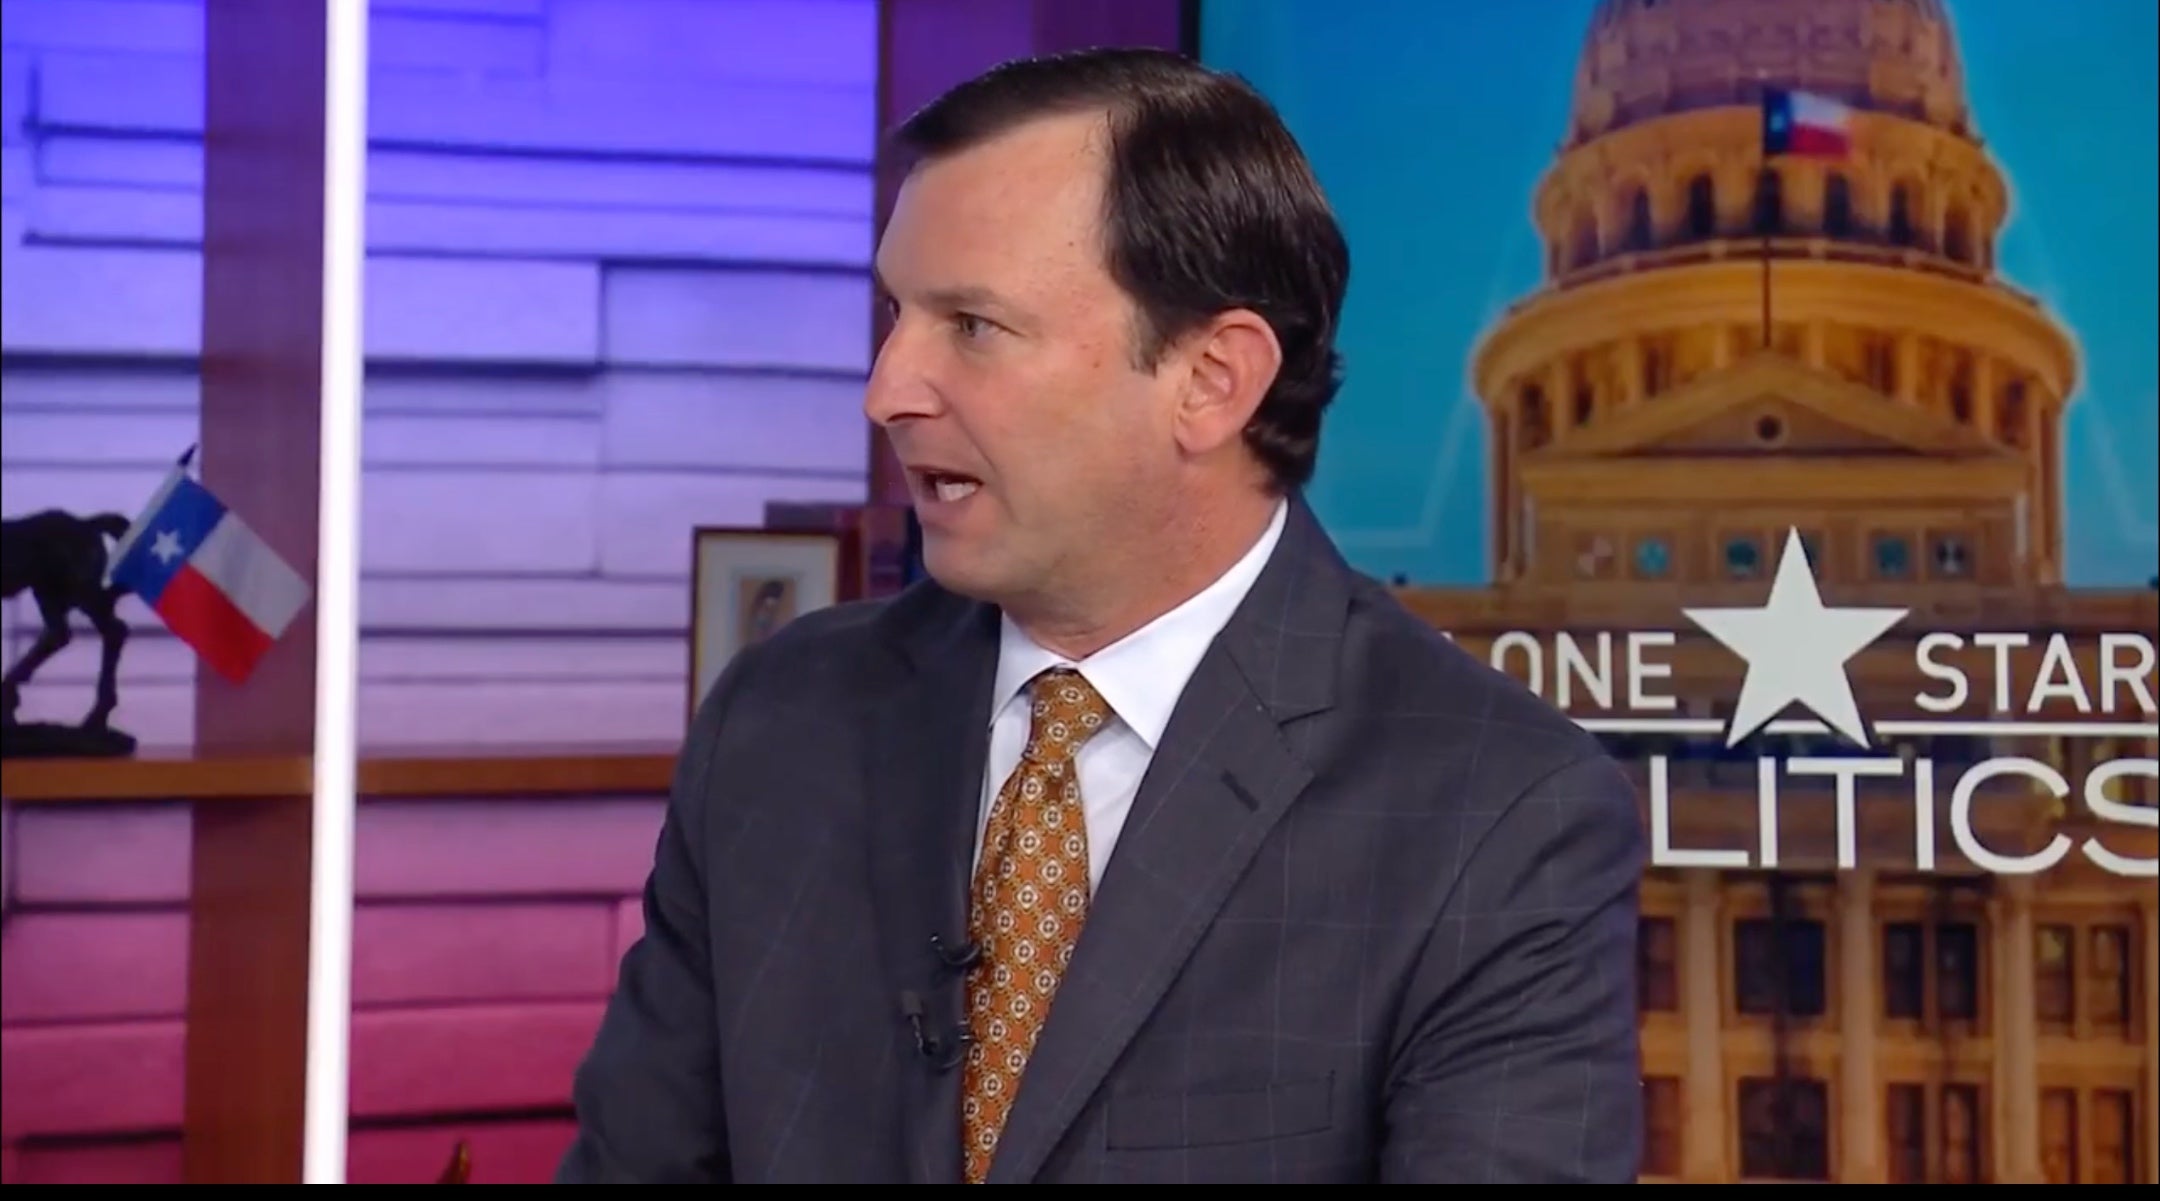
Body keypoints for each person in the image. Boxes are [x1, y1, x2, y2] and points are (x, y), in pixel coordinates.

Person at [556, 46, 1645, 1184]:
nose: (887, 390)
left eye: (972, 325)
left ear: (1211, 380)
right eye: (896, 313)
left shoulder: (1499, 814)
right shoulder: (781, 726)